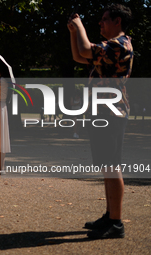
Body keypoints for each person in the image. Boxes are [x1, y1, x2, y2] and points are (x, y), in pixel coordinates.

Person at [68, 3, 133, 239]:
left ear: (118, 21)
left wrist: (80, 26)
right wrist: (74, 32)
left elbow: (86, 49)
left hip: (111, 112)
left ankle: (116, 223)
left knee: (112, 164)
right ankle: (109, 215)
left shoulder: (119, 44)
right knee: (107, 165)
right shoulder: (109, 47)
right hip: (103, 110)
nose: (100, 23)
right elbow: (79, 55)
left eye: (105, 19)